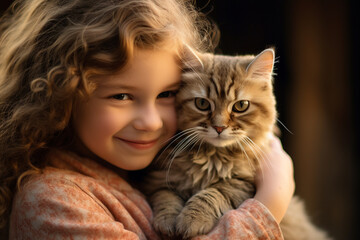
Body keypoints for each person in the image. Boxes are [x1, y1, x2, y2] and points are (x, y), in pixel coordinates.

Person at [0, 0, 295, 239]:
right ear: (62, 95)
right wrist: (270, 202)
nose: (151, 122)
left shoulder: (140, 163)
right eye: (122, 97)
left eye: (167, 94)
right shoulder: (50, 202)